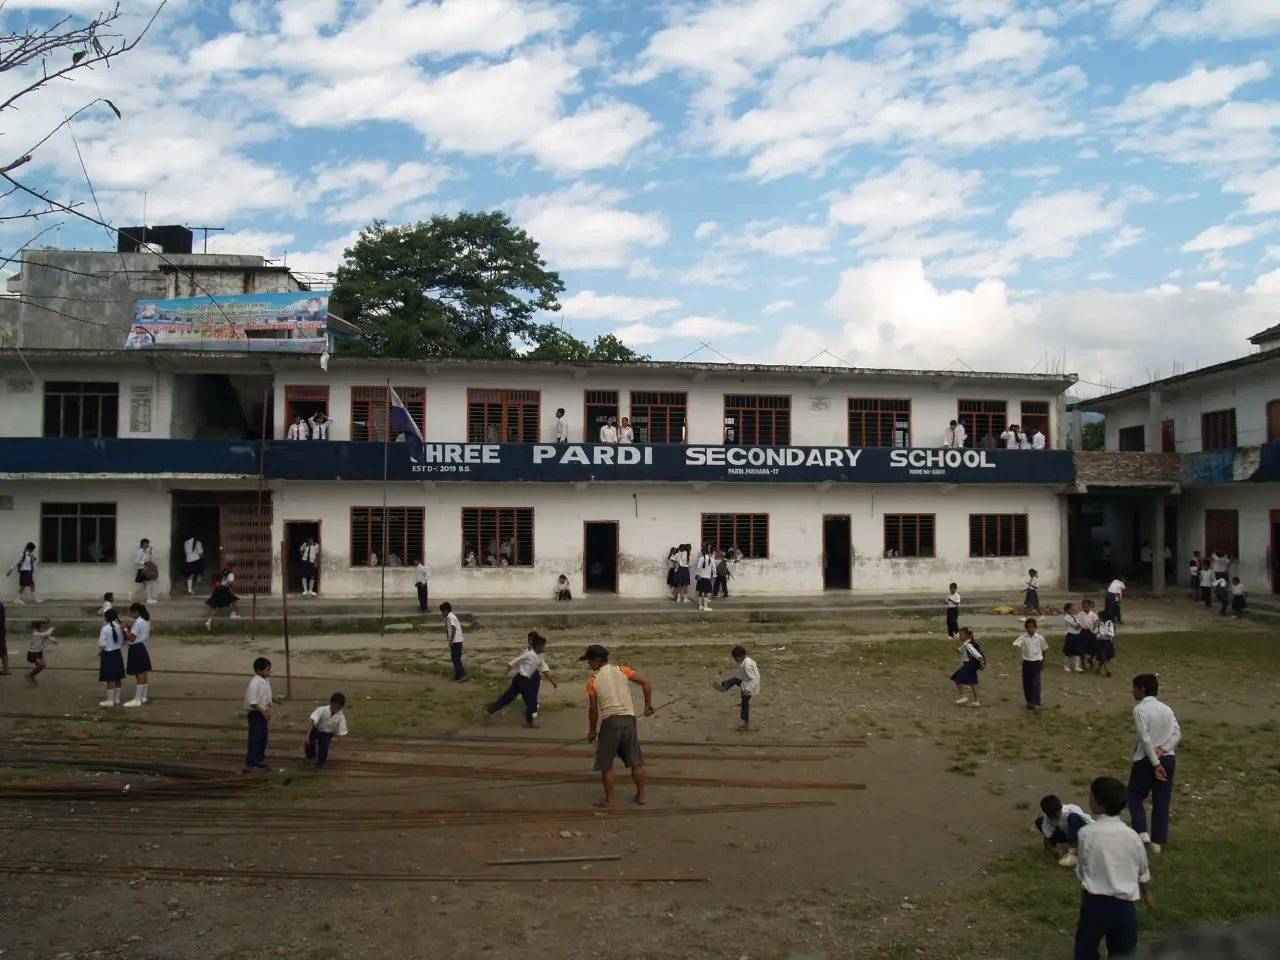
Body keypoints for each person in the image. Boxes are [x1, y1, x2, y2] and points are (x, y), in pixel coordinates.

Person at [1073, 775, 1154, 960]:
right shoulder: (1132, 836)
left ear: (1099, 804)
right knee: (1123, 952)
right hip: (1125, 907)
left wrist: (1084, 902)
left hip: (1096, 904)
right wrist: (1147, 893)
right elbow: (1142, 869)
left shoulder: (1087, 834)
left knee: (1085, 950)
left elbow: (1083, 869)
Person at [581, 644, 654, 808]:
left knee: (606, 764)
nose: (589, 664)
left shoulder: (593, 680)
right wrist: (647, 705)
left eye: (590, 661)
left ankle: (609, 800)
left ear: (598, 661)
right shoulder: (623, 670)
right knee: (635, 761)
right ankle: (641, 796)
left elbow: (593, 709)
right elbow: (646, 683)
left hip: (611, 721)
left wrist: (592, 730)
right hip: (629, 720)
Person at [1128, 673, 1180, 855]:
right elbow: (1177, 734)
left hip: (1146, 758)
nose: (1132, 691)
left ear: (1142, 689)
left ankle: (1141, 830)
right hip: (1168, 758)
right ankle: (1158, 841)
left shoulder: (1140, 710)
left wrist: (1155, 763)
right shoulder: (1167, 709)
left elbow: (1145, 739)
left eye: (1134, 688)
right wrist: (1164, 749)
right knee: (1162, 800)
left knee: (1134, 794)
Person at [486, 632, 557, 728]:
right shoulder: (528, 654)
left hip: (522, 680)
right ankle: (529, 722)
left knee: (508, 697)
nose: (544, 648)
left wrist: (552, 681)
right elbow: (514, 662)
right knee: (532, 699)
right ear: (538, 646)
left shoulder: (539, 655)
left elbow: (543, 668)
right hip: (522, 680)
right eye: (543, 646)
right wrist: (505, 673)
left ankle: (489, 711)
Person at [713, 644, 760, 731]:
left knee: (744, 705)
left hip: (749, 688)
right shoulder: (749, 661)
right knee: (735, 680)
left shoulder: (747, 665)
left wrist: (748, 689)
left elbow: (754, 678)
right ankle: (724, 686)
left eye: (735, 658)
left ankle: (746, 725)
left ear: (741, 656)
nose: (735, 660)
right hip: (746, 684)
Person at [1037, 793, 1092, 867]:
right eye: (1052, 817)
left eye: (1056, 815)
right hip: (1066, 834)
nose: (1055, 818)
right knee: (1039, 821)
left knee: (1073, 818)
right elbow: (1047, 838)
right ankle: (1064, 851)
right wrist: (1054, 850)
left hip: (1083, 834)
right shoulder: (1048, 818)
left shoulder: (1072, 810)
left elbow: (1090, 824)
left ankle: (1074, 853)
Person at [243, 657, 273, 773]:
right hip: (255, 713)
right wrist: (264, 712)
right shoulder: (254, 683)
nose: (269, 672)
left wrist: (275, 700)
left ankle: (259, 760)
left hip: (262, 712)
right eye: (267, 670)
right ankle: (250, 763)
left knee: (262, 738)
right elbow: (253, 702)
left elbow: (266, 695)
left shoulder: (265, 680)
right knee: (255, 738)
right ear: (259, 671)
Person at [303, 692, 348, 770]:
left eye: (337, 708)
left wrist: (339, 747)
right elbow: (312, 722)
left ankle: (320, 763)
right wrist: (307, 736)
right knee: (309, 742)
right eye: (333, 706)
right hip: (316, 729)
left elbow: (341, 732)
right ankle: (310, 756)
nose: (335, 709)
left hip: (327, 734)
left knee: (324, 747)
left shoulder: (341, 717)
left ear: (341, 708)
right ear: (330, 703)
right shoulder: (321, 710)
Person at [1013, 617, 1048, 710]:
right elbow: (1017, 644)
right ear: (1025, 628)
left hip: (1037, 663)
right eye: (1028, 627)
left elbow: (1044, 650)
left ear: (1035, 627)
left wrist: (1043, 663)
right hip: (1027, 663)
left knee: (1036, 683)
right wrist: (1015, 651)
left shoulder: (1040, 638)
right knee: (1027, 683)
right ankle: (1029, 702)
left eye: (1032, 627)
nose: (1030, 629)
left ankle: (1036, 702)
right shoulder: (1023, 637)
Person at [123, 602, 153, 707]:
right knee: (143, 671)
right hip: (142, 646)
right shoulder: (146, 620)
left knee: (139, 672)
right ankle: (143, 696)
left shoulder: (139, 622)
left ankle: (137, 698)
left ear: (136, 612)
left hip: (136, 647)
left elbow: (131, 637)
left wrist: (125, 629)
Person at [97, 609, 127, 708]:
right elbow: (123, 641)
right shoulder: (119, 627)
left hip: (108, 654)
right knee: (118, 677)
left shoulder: (105, 629)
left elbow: (102, 644)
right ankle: (117, 698)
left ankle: (109, 700)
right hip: (117, 653)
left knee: (109, 678)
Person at [950, 627, 984, 708]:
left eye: (961, 635)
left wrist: (981, 660)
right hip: (967, 665)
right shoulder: (965, 644)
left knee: (958, 679)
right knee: (972, 683)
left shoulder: (968, 645)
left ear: (967, 635)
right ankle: (976, 701)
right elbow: (960, 651)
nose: (959, 637)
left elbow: (975, 653)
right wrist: (955, 649)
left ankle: (964, 697)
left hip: (969, 665)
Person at [204, 564, 240, 630]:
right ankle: (232, 614)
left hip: (219, 590)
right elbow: (231, 583)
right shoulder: (231, 574)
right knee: (234, 599)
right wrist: (236, 586)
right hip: (223, 590)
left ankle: (208, 621)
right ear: (232, 569)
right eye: (234, 568)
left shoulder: (223, 573)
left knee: (218, 606)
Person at [440, 602, 469, 682]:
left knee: (456, 659)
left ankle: (463, 675)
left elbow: (454, 629)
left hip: (456, 641)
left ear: (446, 611)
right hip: (456, 641)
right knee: (454, 658)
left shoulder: (451, 617)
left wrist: (451, 641)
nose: (442, 613)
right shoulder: (450, 617)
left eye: (442, 612)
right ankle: (458, 675)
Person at [25, 618, 55, 685]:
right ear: (38, 627)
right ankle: (29, 674)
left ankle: (32, 675)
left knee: (43, 665)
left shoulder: (40, 633)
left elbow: (48, 636)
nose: (43, 628)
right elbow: (47, 634)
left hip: (39, 653)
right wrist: (52, 627)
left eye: (44, 626)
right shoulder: (35, 634)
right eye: (42, 626)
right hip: (33, 653)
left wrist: (53, 640)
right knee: (41, 665)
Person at [130, 538, 158, 605]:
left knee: (147, 583)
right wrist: (144, 562)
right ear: (143, 544)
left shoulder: (145, 552)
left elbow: (148, 559)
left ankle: (148, 598)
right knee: (148, 583)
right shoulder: (140, 552)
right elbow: (136, 561)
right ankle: (149, 598)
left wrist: (150, 553)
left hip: (146, 569)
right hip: (142, 569)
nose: (148, 545)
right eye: (147, 543)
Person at [1077, 598, 1100, 670]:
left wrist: (1095, 626)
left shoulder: (1093, 614)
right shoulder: (1080, 614)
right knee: (1082, 648)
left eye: (1087, 606)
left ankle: (1091, 658)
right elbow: (1078, 622)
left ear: (1090, 606)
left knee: (1094, 647)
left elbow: (1096, 622)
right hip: (1083, 632)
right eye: (1084, 606)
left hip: (1091, 632)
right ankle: (1083, 663)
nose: (1085, 608)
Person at [1063, 602, 1085, 673]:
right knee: (1068, 651)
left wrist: (1079, 625)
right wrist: (1078, 625)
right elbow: (1075, 625)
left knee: (1078, 651)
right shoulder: (1067, 617)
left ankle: (1077, 666)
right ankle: (1066, 665)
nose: (1074, 609)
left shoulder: (1075, 616)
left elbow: (1079, 625)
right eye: (1072, 608)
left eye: (1074, 608)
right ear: (1068, 609)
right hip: (1071, 635)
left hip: (1077, 635)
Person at [693, 544, 716, 611]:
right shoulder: (711, 559)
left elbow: (698, 568)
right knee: (706, 593)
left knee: (700, 592)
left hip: (700, 578)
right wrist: (714, 576)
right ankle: (705, 606)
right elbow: (714, 569)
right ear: (709, 552)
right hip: (707, 578)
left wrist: (697, 575)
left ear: (703, 552)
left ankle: (700, 606)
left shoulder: (700, 559)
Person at [0, 598, 8, 676]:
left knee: (2, 649)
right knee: (2, 648)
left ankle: (5, 669)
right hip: (1, 629)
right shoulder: (1, 605)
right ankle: (5, 669)